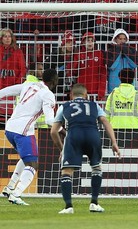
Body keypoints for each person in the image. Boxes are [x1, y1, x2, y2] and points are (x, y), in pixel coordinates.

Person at [50, 83, 121, 214]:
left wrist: (62, 149)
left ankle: (68, 207)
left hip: (74, 136)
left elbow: (54, 132)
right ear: (86, 95)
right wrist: (114, 142)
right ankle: (94, 203)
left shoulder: (64, 106)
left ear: (71, 96)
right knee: (96, 168)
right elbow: (106, 122)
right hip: (93, 136)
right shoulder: (94, 105)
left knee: (67, 171)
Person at [1, 68, 58, 205]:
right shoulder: (48, 94)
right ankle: (16, 194)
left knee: (26, 158)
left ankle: (9, 187)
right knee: (32, 164)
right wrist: (63, 130)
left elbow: (5, 91)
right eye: (57, 79)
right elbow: (50, 121)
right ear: (53, 81)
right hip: (23, 131)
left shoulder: (29, 85)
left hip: (10, 129)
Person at [105, 28, 138, 93]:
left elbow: (135, 64)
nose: (122, 41)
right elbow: (111, 66)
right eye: (120, 39)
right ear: (115, 39)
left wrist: (125, 50)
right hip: (114, 85)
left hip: (129, 86)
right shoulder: (110, 51)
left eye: (124, 39)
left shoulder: (131, 50)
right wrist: (118, 50)